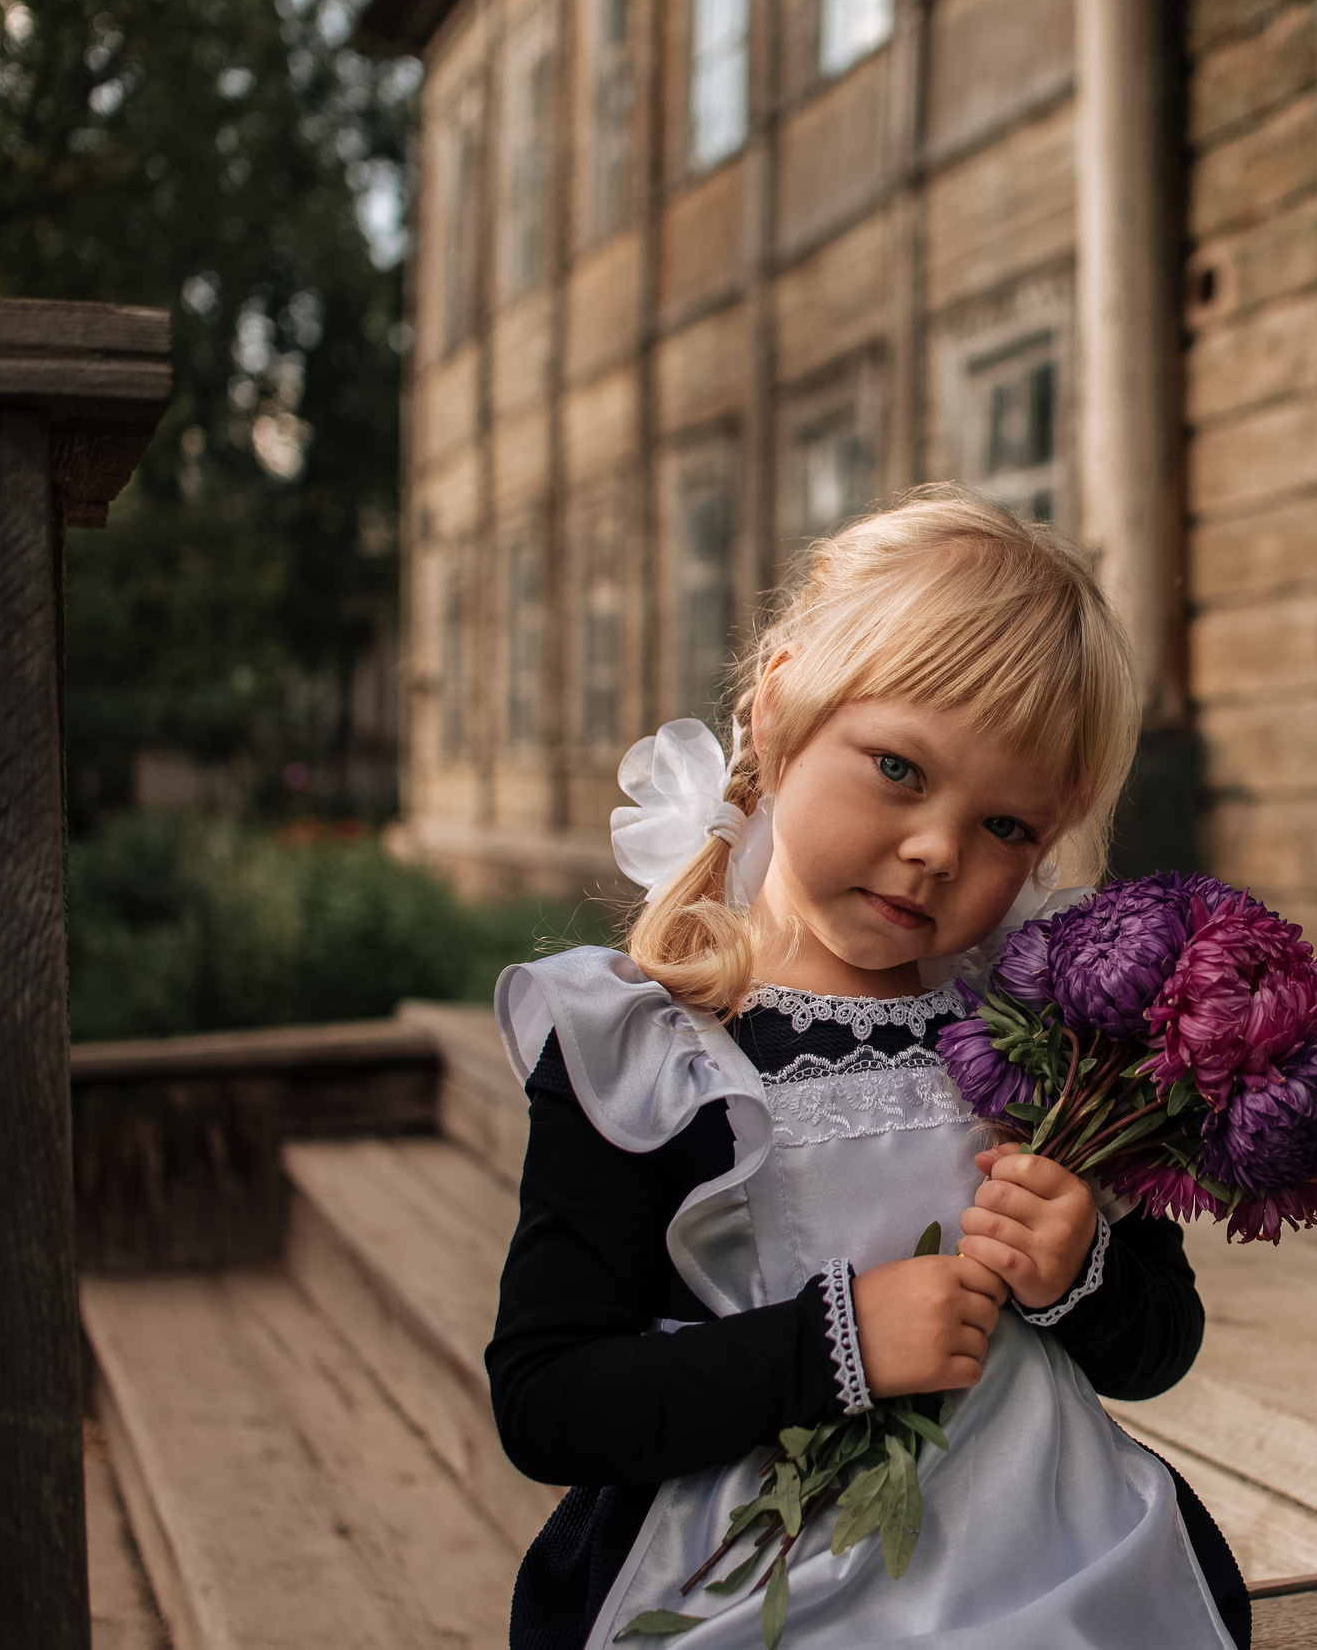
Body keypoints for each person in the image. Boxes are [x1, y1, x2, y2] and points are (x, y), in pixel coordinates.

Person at [487, 492, 1251, 1650]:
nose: (939, 846)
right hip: (753, 1581)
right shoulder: (652, 1047)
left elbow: (1162, 1341)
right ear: (782, 705)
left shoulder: (1042, 1037)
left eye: (1006, 827)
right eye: (898, 766)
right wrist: (832, 1340)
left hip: (1043, 1555)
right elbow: (548, 1397)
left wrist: (1078, 1267)